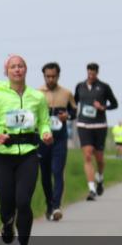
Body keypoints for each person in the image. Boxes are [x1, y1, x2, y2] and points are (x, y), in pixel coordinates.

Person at [0, 55, 53, 245]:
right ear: (7, 72)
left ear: (26, 70)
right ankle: (7, 222)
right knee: (6, 202)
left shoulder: (37, 97)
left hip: (28, 155)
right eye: (13, 67)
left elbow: (44, 122)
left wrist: (46, 133)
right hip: (3, 156)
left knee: (23, 201)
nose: (17, 69)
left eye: (20, 66)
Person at [73, 62, 118, 200]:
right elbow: (74, 103)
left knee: (99, 158)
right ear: (87, 72)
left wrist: (103, 107)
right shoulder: (80, 86)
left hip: (99, 126)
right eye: (89, 73)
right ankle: (91, 189)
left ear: (97, 73)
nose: (91, 76)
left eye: (93, 74)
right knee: (87, 155)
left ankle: (100, 177)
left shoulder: (104, 87)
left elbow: (115, 104)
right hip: (83, 125)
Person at [38, 62, 76, 221]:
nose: (50, 79)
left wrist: (68, 116)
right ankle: (49, 204)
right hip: (42, 139)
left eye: (53, 76)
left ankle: (56, 206)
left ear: (58, 76)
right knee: (45, 174)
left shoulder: (67, 93)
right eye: (48, 76)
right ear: (44, 76)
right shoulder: (37, 93)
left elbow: (74, 111)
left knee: (57, 171)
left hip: (60, 138)